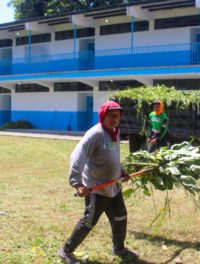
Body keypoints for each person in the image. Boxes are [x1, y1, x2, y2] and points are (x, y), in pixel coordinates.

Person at [58, 100, 138, 264]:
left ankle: (119, 248)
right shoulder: (95, 134)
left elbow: (114, 156)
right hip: (97, 187)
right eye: (112, 116)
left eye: (118, 116)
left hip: (113, 185)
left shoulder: (115, 131)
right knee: (89, 221)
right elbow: (77, 156)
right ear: (103, 116)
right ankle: (66, 250)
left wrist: (121, 171)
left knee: (120, 217)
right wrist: (77, 183)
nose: (115, 119)